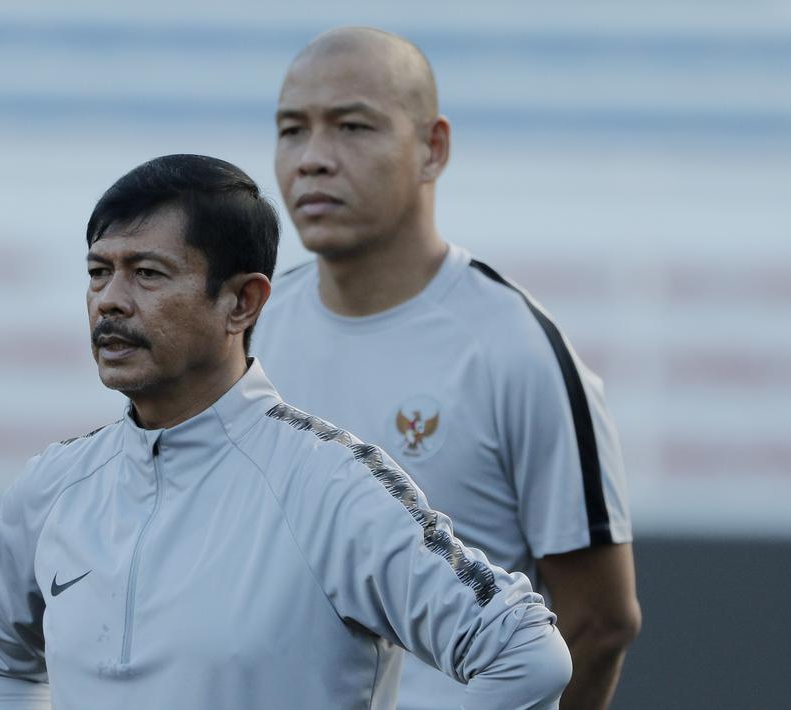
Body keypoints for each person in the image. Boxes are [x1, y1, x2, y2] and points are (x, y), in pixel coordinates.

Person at [0, 154, 571, 710]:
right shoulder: (51, 487)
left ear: (242, 303)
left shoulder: (331, 485)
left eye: (147, 273)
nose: (110, 301)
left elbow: (527, 655)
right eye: (99, 272)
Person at [254, 28, 641, 710]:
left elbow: (599, 621)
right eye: (292, 130)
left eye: (351, 126)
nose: (313, 158)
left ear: (432, 148)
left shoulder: (515, 349)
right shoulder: (247, 332)